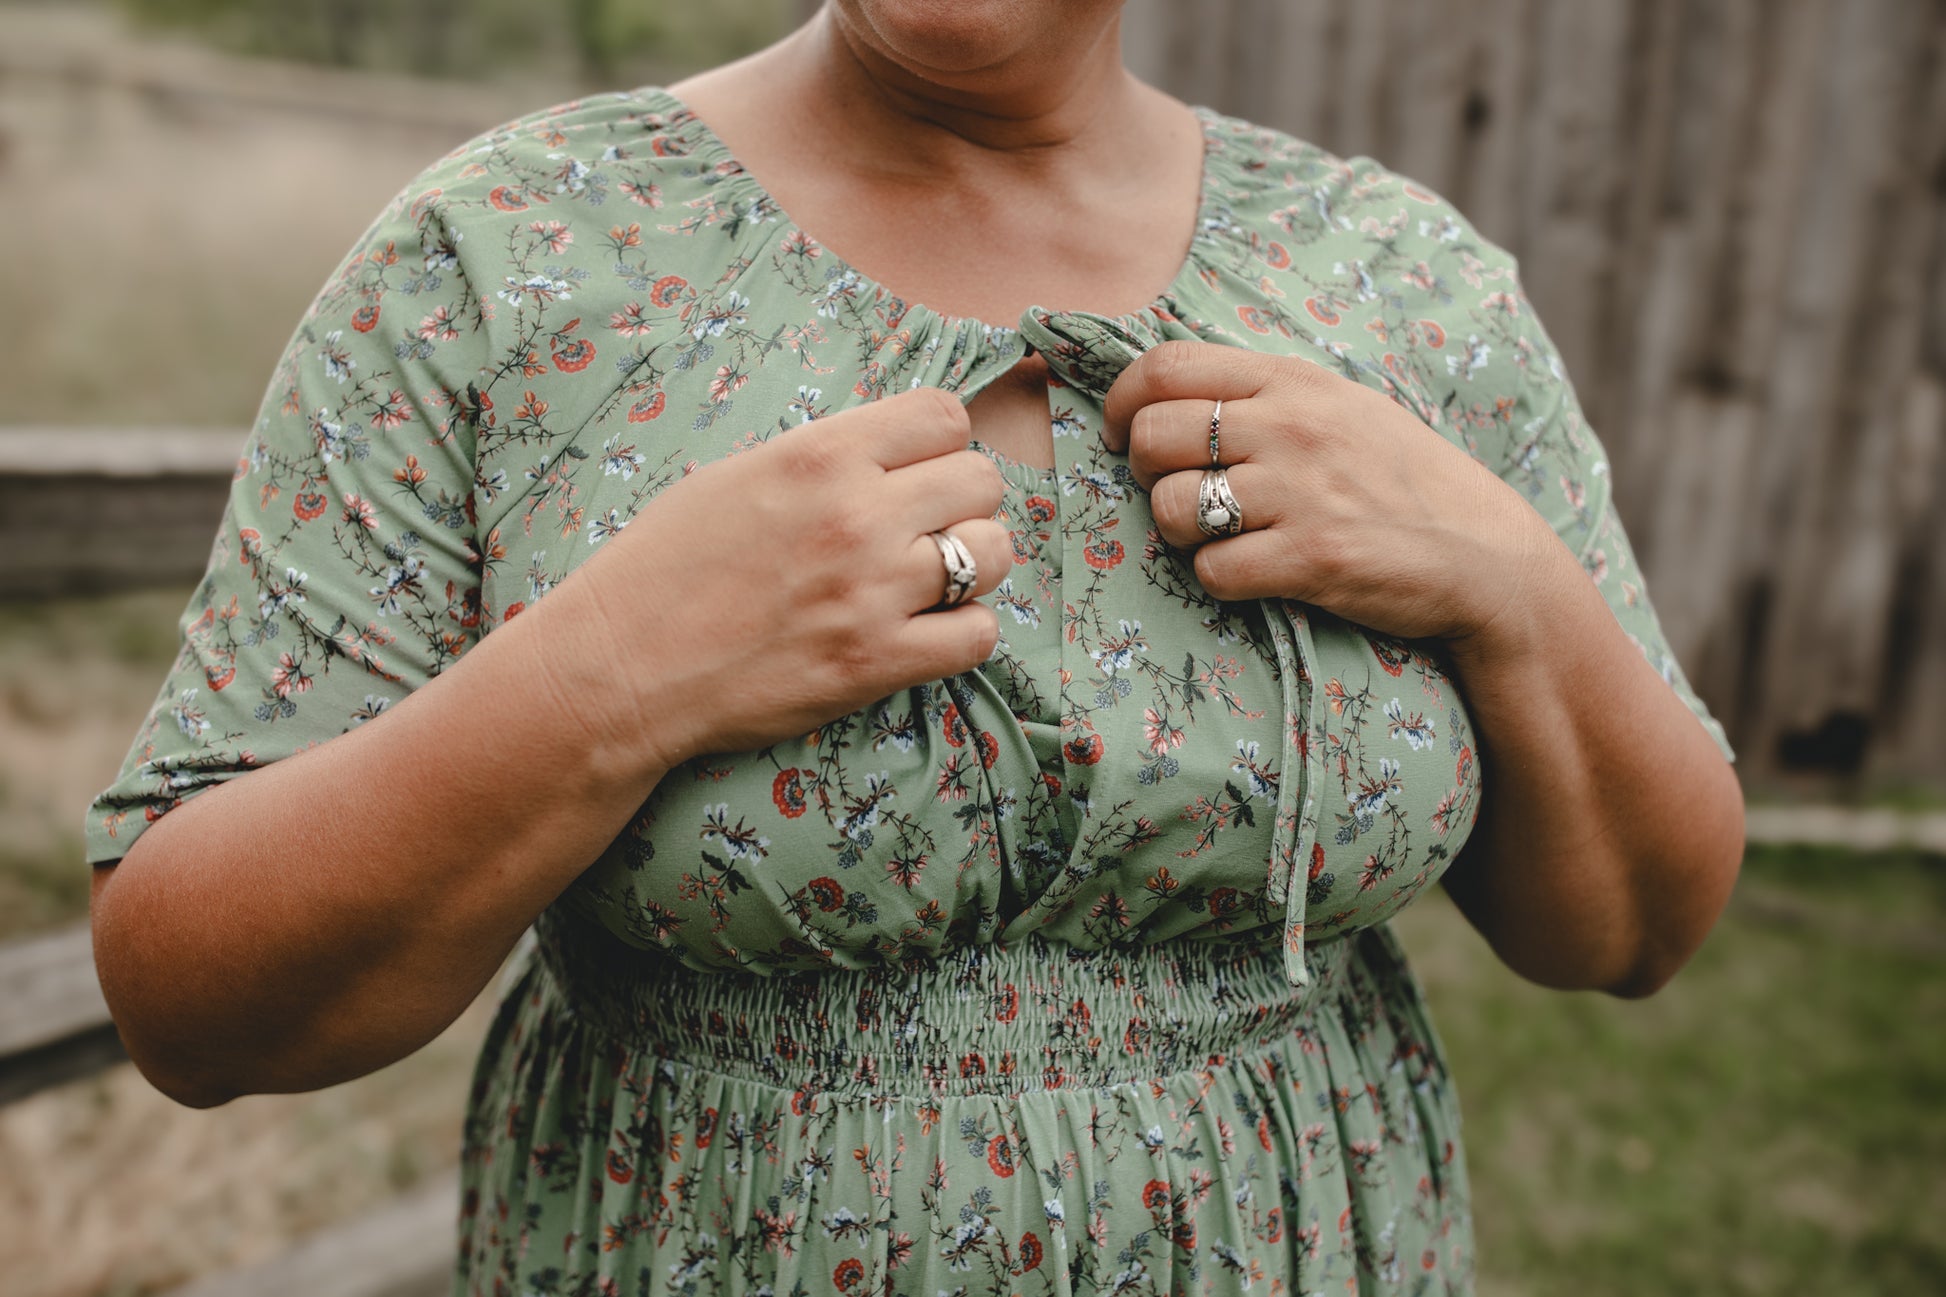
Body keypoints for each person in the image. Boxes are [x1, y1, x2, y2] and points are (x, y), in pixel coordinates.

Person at [85, 1, 1745, 1291]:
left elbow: (1638, 924)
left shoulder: (1394, 281)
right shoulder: (505, 259)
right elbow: (193, 1002)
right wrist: (612, 672)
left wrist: (1502, 575)